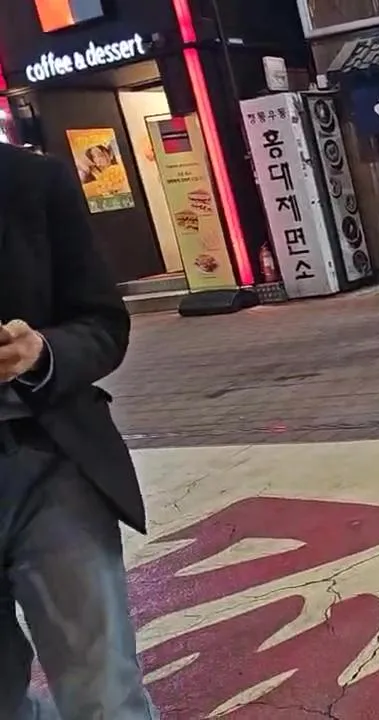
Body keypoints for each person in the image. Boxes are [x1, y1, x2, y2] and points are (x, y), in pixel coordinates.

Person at [0, 143, 156, 717]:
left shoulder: (31, 180)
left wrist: (41, 353)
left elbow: (103, 323)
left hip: (47, 462)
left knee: (102, 695)